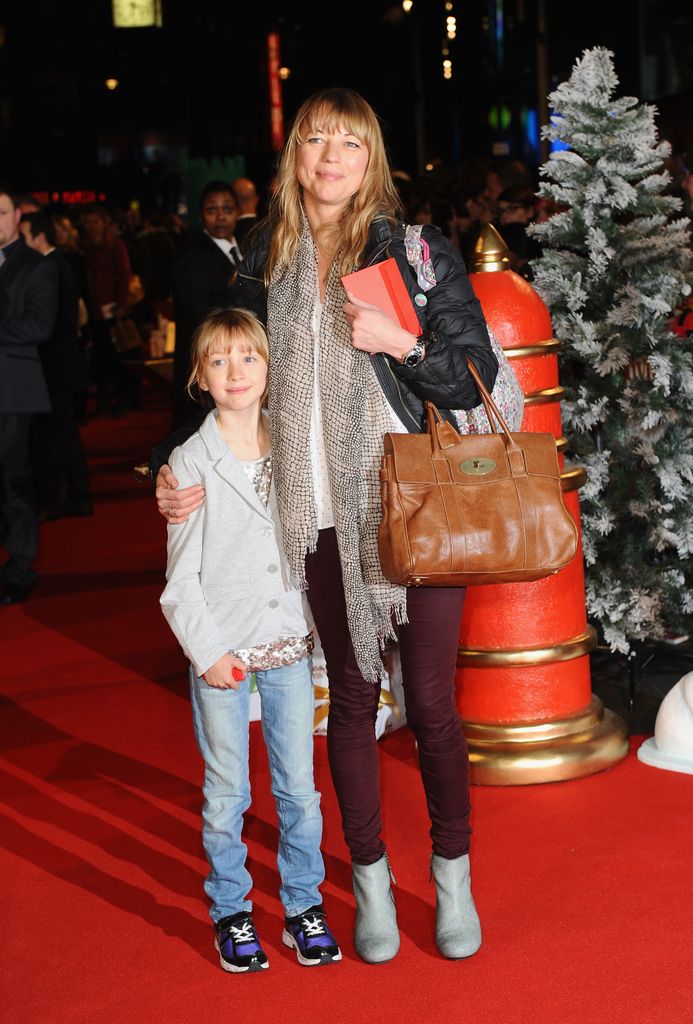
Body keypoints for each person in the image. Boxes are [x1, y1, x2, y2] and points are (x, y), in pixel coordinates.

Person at [154, 88, 498, 964]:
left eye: (350, 142)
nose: (332, 156)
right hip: (310, 517)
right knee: (348, 702)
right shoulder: (258, 262)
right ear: (294, 159)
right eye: (316, 140)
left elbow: (469, 379)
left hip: (412, 508)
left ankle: (452, 878)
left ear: (371, 158)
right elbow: (224, 374)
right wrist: (176, 471)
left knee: (429, 706)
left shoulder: (416, 252)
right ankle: (373, 883)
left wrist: (399, 342)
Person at [160, 306, 341, 974]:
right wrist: (209, 653)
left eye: (248, 358)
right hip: (224, 654)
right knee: (227, 791)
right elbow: (179, 582)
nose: (235, 373)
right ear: (199, 377)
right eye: (218, 361)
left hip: (289, 643)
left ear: (269, 368)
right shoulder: (190, 461)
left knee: (299, 789)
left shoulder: (294, 444)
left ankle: (302, 906)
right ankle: (231, 910)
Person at [0, 185, 58, 604]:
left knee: (12, 481)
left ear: (17, 216)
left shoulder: (37, 266)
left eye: (0, 213)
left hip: (14, 394)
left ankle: (20, 566)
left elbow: (39, 327)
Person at [20, 212, 93, 520]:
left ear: (39, 237)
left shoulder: (50, 269)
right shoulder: (55, 265)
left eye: (22, 237)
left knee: (55, 435)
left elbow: (47, 325)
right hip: (60, 363)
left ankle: (61, 498)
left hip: (55, 366)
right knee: (63, 433)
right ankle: (75, 496)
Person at [170, 181, 242, 427]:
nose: (221, 216)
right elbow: (196, 320)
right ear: (202, 216)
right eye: (212, 210)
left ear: (238, 212)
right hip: (210, 367)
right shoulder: (195, 257)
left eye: (227, 209)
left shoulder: (242, 250)